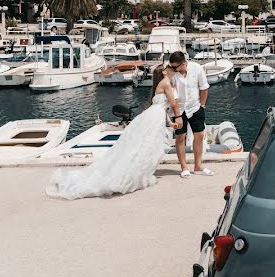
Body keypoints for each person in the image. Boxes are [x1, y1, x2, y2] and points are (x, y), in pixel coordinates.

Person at [46, 65, 182, 200]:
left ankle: (141, 173)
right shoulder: (166, 84)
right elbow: (173, 103)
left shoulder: (163, 83)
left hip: (155, 116)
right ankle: (133, 174)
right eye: (170, 68)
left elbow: (161, 107)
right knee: (145, 147)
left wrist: (170, 123)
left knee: (145, 146)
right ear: (165, 72)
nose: (173, 70)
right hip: (155, 117)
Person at [168, 50, 213, 177]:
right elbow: (172, 96)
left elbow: (204, 88)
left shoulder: (197, 68)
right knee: (180, 138)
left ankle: (198, 166)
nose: (172, 68)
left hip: (195, 108)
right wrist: (177, 116)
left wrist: (202, 106)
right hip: (178, 110)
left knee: (199, 135)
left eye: (175, 66)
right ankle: (184, 167)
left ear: (183, 64)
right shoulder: (172, 74)